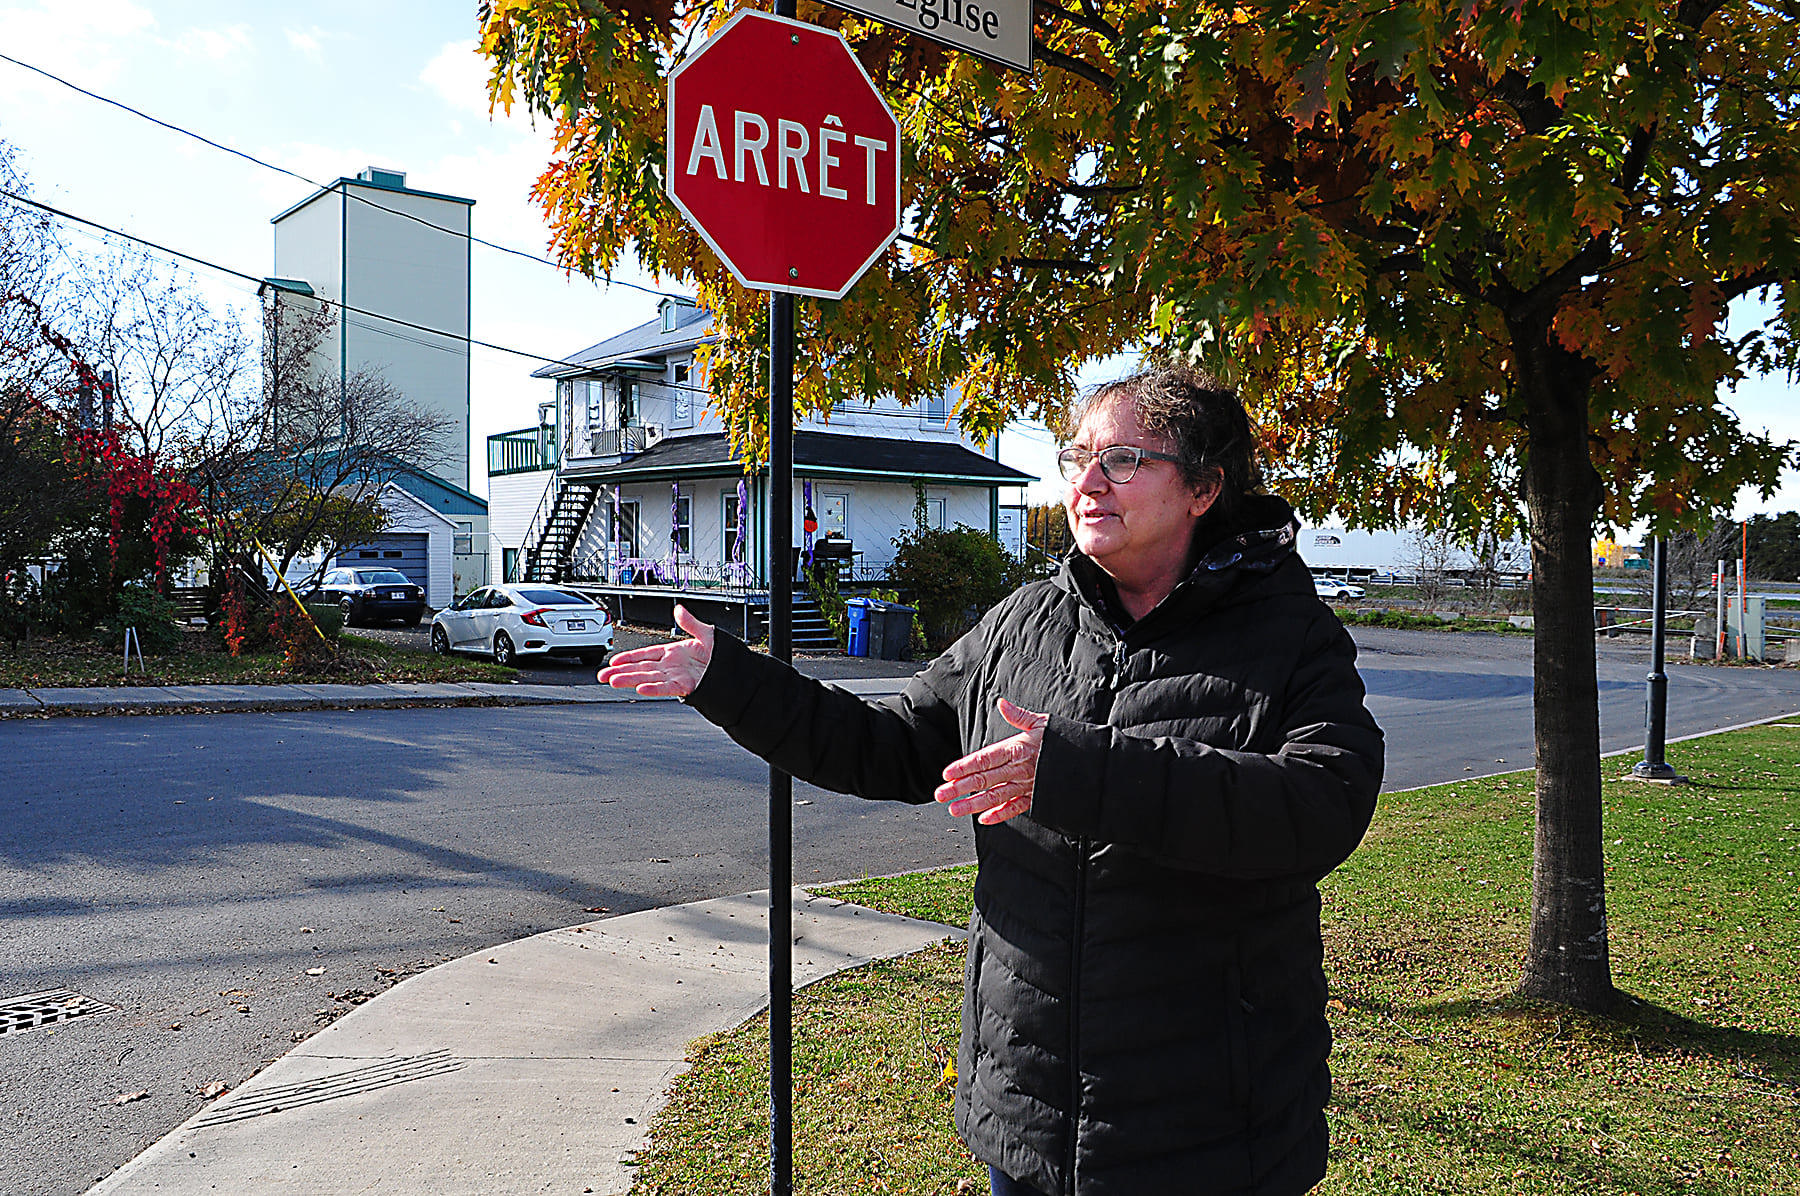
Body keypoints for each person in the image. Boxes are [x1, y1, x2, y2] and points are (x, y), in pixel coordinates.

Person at [599, 365, 1384, 1196]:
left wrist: (1081, 771)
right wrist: (730, 678)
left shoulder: (1291, 634)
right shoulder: (1025, 622)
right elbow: (890, 745)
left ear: (1203, 487)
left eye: (1122, 459)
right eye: (1077, 454)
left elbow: (1321, 805)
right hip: (1026, 1111)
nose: (1086, 482)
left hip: (1209, 1125)